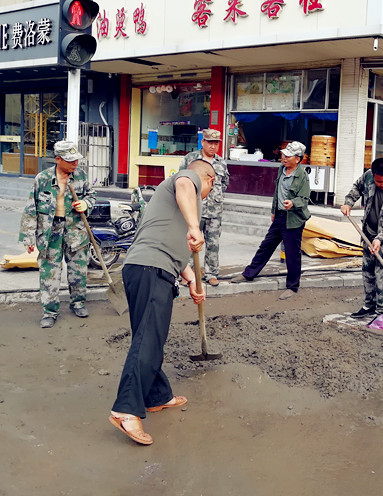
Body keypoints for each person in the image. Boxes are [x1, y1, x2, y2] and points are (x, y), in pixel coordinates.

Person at [109, 160, 216, 446]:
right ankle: (125, 410)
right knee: (148, 339)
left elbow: (172, 248)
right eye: (209, 186)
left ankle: (157, 395)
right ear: (208, 180)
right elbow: (185, 183)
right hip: (151, 269)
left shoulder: (170, 208)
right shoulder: (188, 180)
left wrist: (192, 280)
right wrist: (194, 226)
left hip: (146, 267)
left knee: (149, 337)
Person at [19, 140, 97, 329]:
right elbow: (31, 208)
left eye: (76, 160)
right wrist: (28, 237)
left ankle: (78, 303)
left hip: (75, 231)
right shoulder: (43, 179)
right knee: (50, 274)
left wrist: (86, 204)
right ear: (58, 159)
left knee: (78, 270)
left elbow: (92, 196)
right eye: (70, 161)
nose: (75, 164)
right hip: (50, 233)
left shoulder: (80, 176)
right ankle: (50, 312)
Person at [231, 141, 311, 300]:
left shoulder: (302, 176)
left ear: (298, 159)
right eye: (283, 155)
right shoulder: (282, 169)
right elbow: (277, 193)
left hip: (293, 219)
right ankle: (249, 274)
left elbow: (304, 199)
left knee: (292, 254)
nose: (284, 158)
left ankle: (292, 286)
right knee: (266, 246)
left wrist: (293, 203)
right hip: (280, 216)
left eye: (288, 156)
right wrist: (274, 211)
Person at [341, 157, 383, 321]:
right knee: (368, 272)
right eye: (379, 181)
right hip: (368, 235)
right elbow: (357, 187)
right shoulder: (368, 177)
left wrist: (380, 238)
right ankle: (369, 305)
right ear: (373, 175)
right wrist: (348, 202)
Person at [179, 129, 230, 286]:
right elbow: (181, 181)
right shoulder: (190, 159)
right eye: (210, 142)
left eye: (216, 143)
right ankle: (188, 273)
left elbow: (224, 184)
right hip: (194, 210)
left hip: (214, 211)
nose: (213, 146)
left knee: (213, 244)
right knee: (190, 242)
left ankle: (211, 273)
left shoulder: (221, 163)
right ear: (203, 142)